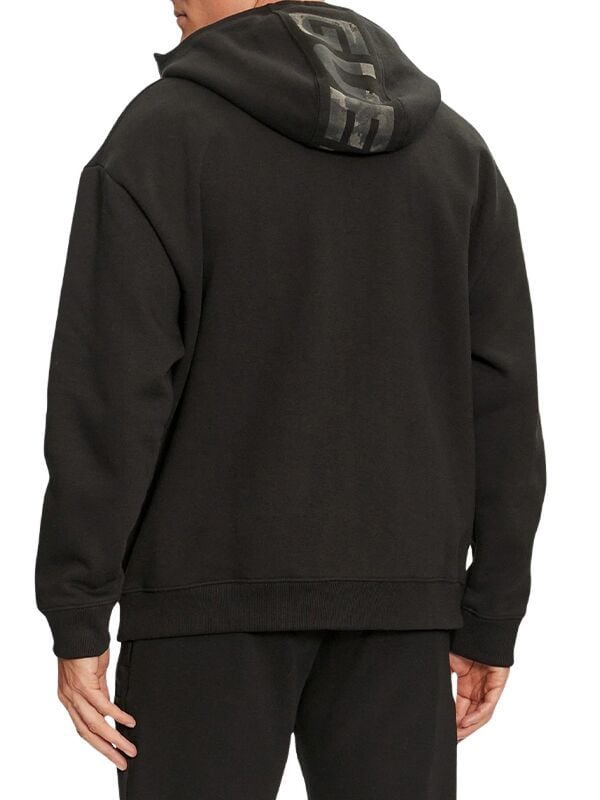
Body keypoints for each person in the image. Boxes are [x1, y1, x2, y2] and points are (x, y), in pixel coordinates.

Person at [34, 1, 546, 798]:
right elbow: (504, 397)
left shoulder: (162, 136)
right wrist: (492, 614)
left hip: (202, 604)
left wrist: (77, 606)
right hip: (402, 605)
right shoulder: (453, 151)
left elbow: (112, 395)